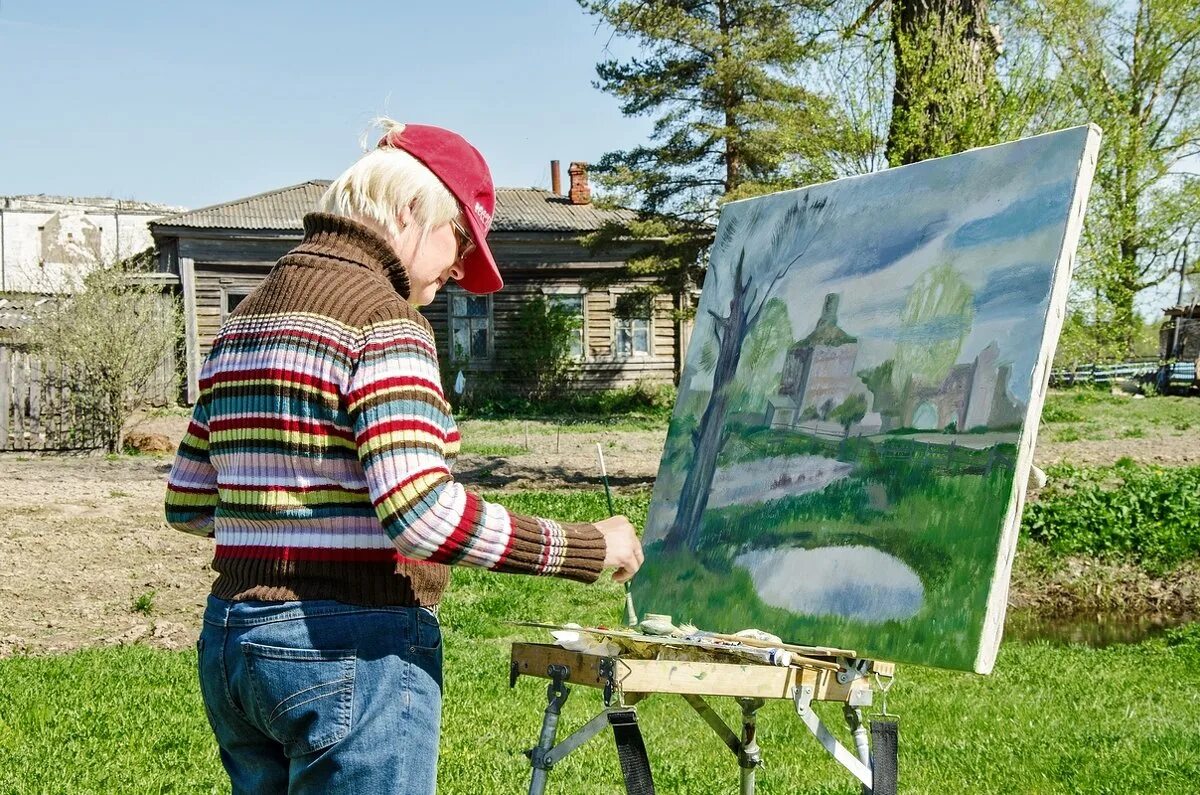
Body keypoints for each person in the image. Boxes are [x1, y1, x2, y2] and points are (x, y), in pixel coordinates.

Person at [165, 120, 644, 794]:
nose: (459, 269)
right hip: (353, 646)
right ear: (411, 209)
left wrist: (287, 519)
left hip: (234, 642)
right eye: (460, 239)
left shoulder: (243, 321)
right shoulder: (385, 322)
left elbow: (188, 503)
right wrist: (587, 546)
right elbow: (422, 517)